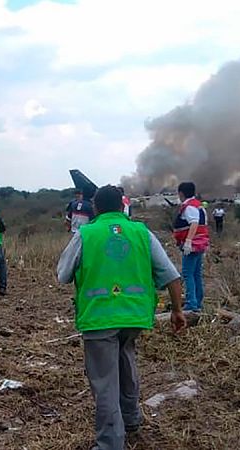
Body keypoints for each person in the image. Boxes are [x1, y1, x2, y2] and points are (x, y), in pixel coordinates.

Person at [57, 185, 186, 450]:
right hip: (134, 316)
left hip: (99, 318)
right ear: (122, 206)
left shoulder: (86, 234)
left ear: (96, 207)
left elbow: (62, 275)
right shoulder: (141, 233)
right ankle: (131, 419)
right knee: (126, 363)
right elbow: (171, 275)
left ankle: (110, 444)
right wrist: (177, 311)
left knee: (104, 383)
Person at [173, 182, 210, 312]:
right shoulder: (199, 206)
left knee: (188, 274)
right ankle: (198, 303)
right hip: (200, 243)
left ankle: (191, 304)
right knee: (196, 274)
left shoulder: (189, 207)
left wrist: (188, 241)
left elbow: (194, 223)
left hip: (193, 245)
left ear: (181, 193)